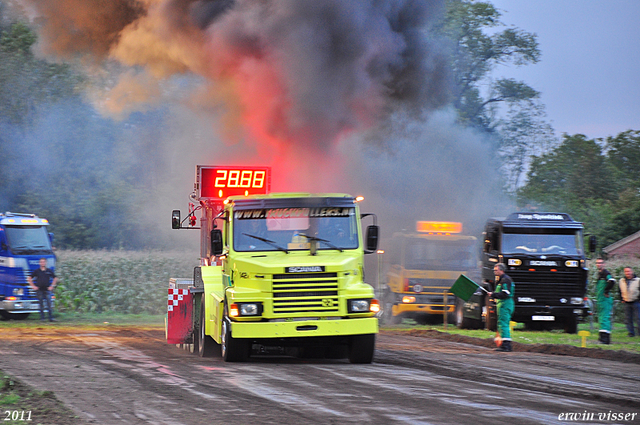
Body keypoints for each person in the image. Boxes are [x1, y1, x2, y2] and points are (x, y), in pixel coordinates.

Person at [489, 263, 515, 352]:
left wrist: (493, 295)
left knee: (503, 324)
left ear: (502, 270)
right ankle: (504, 344)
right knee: (502, 323)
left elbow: (505, 293)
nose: (494, 272)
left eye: (496, 270)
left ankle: (506, 346)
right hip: (504, 304)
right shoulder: (503, 279)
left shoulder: (505, 280)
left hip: (505, 304)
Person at [27, 258, 58, 322]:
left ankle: (51, 318)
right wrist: (33, 286)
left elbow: (55, 278)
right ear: (39, 263)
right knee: (41, 304)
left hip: (47, 290)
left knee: (49, 304)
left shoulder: (49, 271)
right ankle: (42, 318)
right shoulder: (37, 271)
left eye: (44, 262)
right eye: (41, 262)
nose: (42, 263)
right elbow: (29, 278)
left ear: (46, 263)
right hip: (39, 290)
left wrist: (52, 286)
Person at [595, 258, 615, 344]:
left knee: (605, 318)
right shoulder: (600, 274)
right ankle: (601, 337)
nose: (599, 265)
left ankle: (605, 339)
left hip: (604, 300)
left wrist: (606, 291)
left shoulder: (606, 273)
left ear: (604, 264)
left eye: (600, 263)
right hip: (600, 300)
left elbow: (612, 281)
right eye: (597, 263)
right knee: (601, 318)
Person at [619, 267, 640, 337]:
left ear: (632, 271)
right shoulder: (622, 281)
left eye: (629, 271)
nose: (627, 273)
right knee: (628, 319)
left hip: (636, 301)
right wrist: (621, 298)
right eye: (626, 272)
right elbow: (619, 290)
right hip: (626, 301)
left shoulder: (638, 280)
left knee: (638, 318)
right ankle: (631, 333)